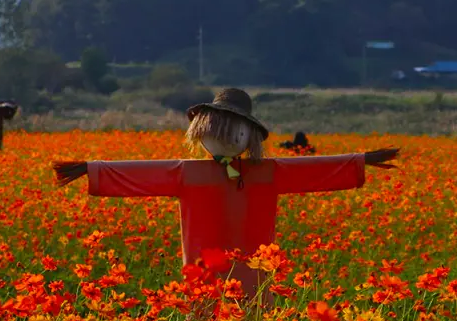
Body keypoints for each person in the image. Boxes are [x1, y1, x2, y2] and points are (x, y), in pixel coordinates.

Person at [51, 88, 398, 306]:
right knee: (206, 304)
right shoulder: (188, 172)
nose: (226, 138)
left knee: (251, 304)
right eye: (217, 130)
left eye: (235, 132)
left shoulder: (266, 171)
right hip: (204, 265)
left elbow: (313, 170)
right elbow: (140, 173)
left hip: (254, 263)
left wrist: (359, 162)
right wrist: (91, 169)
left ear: (251, 137)